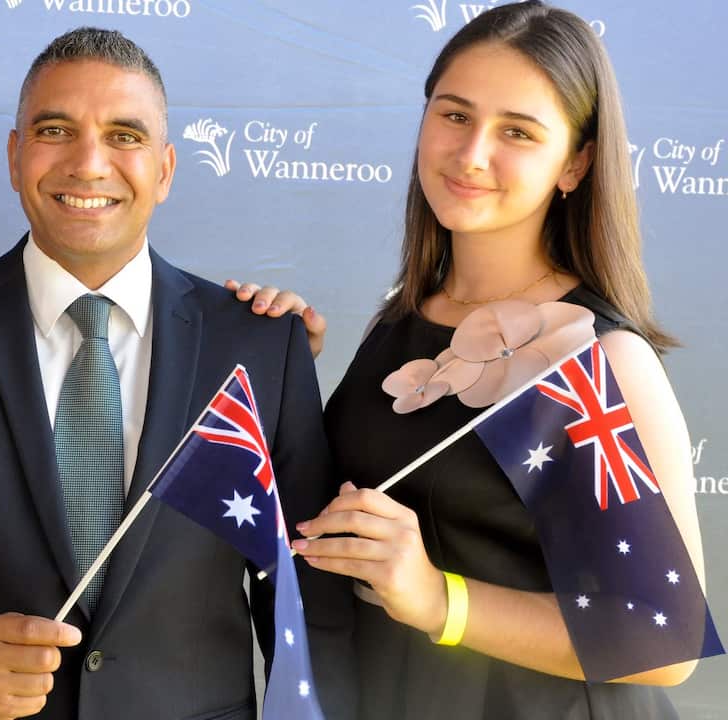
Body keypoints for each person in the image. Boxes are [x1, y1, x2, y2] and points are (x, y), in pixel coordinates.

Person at [0, 26, 357, 720]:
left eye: (125, 135)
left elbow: (307, 603)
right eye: (56, 129)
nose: (89, 163)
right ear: (15, 154)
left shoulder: (262, 346)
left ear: (166, 169)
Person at [293, 2, 705, 718]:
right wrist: (284, 368)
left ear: (575, 163)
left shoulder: (601, 357)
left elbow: (667, 641)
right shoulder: (404, 318)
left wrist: (436, 598)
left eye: (517, 131)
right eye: (454, 115)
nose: (472, 152)